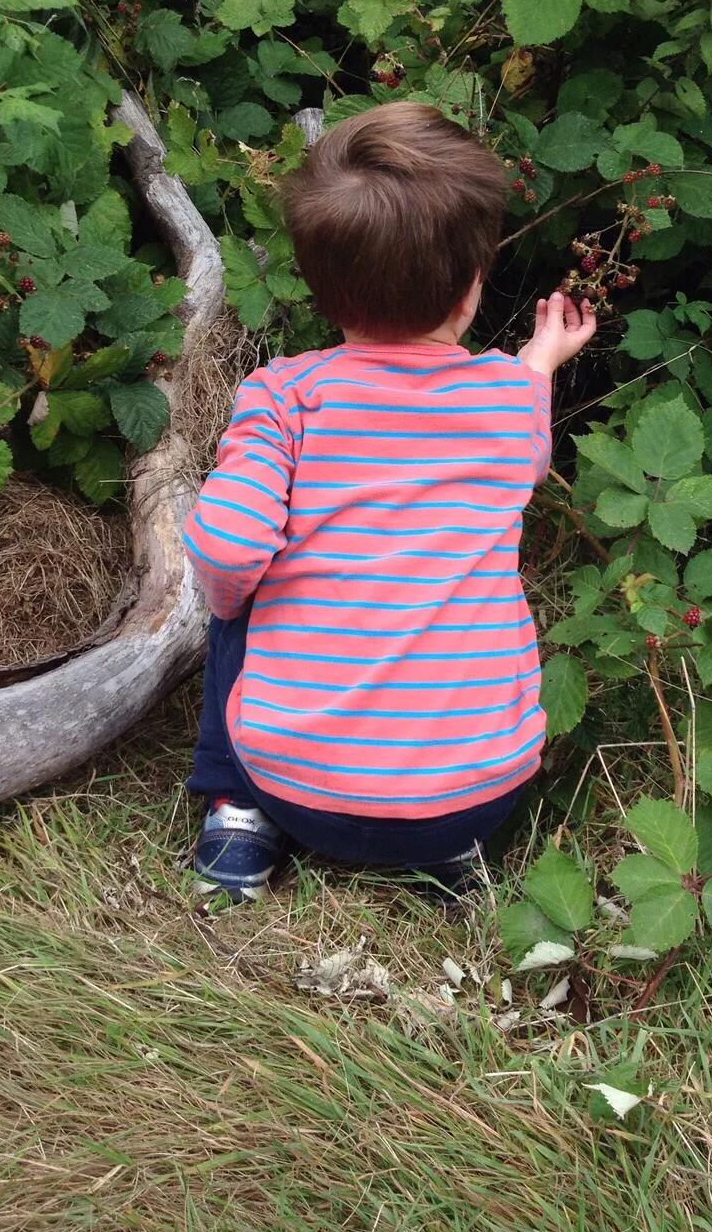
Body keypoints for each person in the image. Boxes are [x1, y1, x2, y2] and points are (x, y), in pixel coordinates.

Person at [182, 101, 596, 900]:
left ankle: (238, 815)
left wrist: (238, 599)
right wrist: (540, 360)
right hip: (473, 805)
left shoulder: (283, 396)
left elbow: (229, 551)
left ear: (314, 281)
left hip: (297, 791)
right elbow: (529, 450)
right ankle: (443, 859)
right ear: (473, 288)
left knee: (233, 597)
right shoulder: (509, 400)